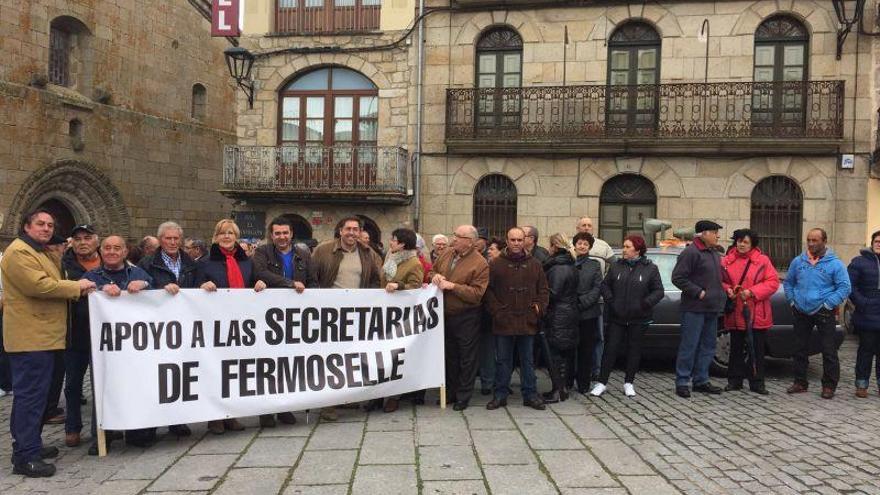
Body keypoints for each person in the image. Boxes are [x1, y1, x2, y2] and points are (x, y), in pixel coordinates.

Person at [1, 209, 96, 477]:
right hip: (31, 339)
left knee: (41, 397)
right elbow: (39, 286)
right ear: (27, 226)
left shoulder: (41, 251)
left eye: (50, 225)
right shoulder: (19, 252)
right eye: (40, 224)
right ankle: (25, 457)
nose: (46, 228)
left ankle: (31, 444)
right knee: (30, 398)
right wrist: (77, 287)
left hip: (48, 337)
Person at [83, 236, 156, 450]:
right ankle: (102, 434)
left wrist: (144, 284)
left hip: (135, 345)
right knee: (103, 386)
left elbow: (156, 292)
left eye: (117, 248)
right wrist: (96, 291)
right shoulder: (91, 276)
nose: (112, 252)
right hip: (105, 345)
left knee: (135, 385)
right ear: (101, 252)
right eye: (107, 248)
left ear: (125, 252)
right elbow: (81, 302)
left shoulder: (137, 273)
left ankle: (136, 431)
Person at [197, 219, 267, 433]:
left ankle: (232, 415)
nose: (226, 237)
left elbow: (254, 280)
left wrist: (260, 284)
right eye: (222, 233)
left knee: (235, 371)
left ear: (236, 237)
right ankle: (215, 417)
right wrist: (202, 285)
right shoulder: (205, 262)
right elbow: (193, 287)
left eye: (230, 233)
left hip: (241, 325)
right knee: (216, 369)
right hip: (215, 324)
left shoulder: (247, 262)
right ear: (215, 237)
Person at [311, 216, 382, 420]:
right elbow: (311, 277)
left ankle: (347, 397)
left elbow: (377, 280)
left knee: (351, 356)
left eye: (355, 229)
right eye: (348, 229)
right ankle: (328, 404)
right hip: (328, 314)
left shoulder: (368, 253)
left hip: (356, 315)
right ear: (340, 231)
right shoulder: (323, 250)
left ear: (360, 232)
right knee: (330, 358)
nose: (352, 233)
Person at [252, 216, 317, 426]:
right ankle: (266, 411)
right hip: (269, 317)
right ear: (272, 235)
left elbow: (313, 281)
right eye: (277, 233)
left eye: (285, 233)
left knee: (290, 363)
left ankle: (285, 408)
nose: (282, 237)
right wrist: (290, 284)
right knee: (268, 364)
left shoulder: (303, 254)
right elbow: (260, 273)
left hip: (295, 318)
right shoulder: (263, 252)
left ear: (291, 234)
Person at [138, 221, 198, 437]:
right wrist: (158, 289)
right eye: (168, 238)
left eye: (176, 239)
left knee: (180, 373)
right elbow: (141, 286)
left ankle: (177, 420)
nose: (172, 242)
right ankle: (152, 423)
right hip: (159, 328)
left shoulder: (191, 263)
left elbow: (198, 286)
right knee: (158, 374)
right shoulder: (146, 263)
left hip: (185, 326)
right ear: (160, 240)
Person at [591, 235, 664, 398]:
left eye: (627, 246)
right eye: (623, 246)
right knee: (610, 349)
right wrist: (611, 300)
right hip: (617, 317)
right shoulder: (616, 266)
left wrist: (645, 303)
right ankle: (602, 382)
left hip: (639, 318)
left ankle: (628, 382)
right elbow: (604, 285)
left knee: (634, 350)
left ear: (637, 250)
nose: (623, 249)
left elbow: (658, 291)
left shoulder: (650, 268)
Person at [484, 227, 548, 411]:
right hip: (504, 319)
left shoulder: (535, 263)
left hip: (527, 319)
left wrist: (538, 308)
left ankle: (530, 394)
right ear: (507, 240)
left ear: (524, 241)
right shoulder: (496, 264)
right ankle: (500, 394)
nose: (516, 243)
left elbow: (543, 289)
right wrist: (497, 311)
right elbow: (488, 290)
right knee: (503, 360)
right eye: (513, 240)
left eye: (520, 240)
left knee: (527, 360)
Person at [784, 228, 851, 399]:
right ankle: (800, 382)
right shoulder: (798, 261)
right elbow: (789, 283)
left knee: (829, 350)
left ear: (824, 241)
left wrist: (828, 304)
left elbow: (844, 287)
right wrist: (792, 300)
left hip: (824, 311)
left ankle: (829, 385)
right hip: (801, 310)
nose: (811, 243)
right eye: (809, 240)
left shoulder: (835, 264)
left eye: (815, 240)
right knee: (799, 349)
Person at [430, 225, 489, 411]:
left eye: (458, 236)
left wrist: (453, 286)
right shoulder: (447, 253)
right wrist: (435, 276)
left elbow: (477, 294)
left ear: (469, 241)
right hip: (445, 314)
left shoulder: (480, 263)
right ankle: (450, 393)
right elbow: (432, 271)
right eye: (454, 235)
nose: (453, 238)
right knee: (449, 356)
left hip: (467, 316)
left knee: (467, 357)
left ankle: (463, 396)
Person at [721, 229, 779, 395]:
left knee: (757, 349)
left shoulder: (762, 261)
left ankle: (757, 382)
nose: (741, 244)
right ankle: (734, 380)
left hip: (756, 311)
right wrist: (728, 290)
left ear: (752, 244)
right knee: (736, 348)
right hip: (735, 312)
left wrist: (753, 292)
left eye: (745, 242)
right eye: (739, 241)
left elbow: (773, 282)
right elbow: (721, 281)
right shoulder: (726, 261)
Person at [672, 220, 726, 398]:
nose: (717, 235)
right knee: (689, 346)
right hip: (694, 308)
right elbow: (678, 278)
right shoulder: (690, 253)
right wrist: (698, 292)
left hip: (712, 308)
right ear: (703, 234)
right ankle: (682, 382)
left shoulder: (713, 253)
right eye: (714, 232)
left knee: (708, 346)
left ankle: (701, 380)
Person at [60, 224, 101, 450]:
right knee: (73, 384)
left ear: (96, 241)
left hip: (103, 336)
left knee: (101, 383)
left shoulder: (108, 262)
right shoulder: (62, 265)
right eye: (78, 238)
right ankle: (72, 428)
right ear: (72, 242)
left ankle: (100, 430)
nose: (82, 242)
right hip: (74, 334)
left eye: (87, 237)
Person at [379, 228, 425, 412]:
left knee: (396, 356)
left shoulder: (414, 263)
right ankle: (377, 394)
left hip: (401, 317)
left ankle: (394, 396)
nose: (390, 242)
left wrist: (399, 285)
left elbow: (416, 287)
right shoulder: (390, 258)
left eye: (393, 239)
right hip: (384, 314)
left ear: (402, 244)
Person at [540, 233, 579, 403]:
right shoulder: (568, 264)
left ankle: (559, 389)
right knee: (561, 354)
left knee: (556, 354)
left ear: (554, 246)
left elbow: (553, 293)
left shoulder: (558, 267)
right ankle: (561, 388)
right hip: (566, 313)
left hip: (559, 315)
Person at [571, 232, 602, 394]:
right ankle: (567, 381)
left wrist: (582, 303)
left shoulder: (594, 265)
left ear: (589, 247)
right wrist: (572, 303)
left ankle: (584, 382)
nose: (582, 246)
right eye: (580, 243)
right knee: (569, 348)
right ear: (575, 245)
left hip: (588, 314)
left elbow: (597, 288)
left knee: (586, 349)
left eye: (585, 244)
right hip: (569, 313)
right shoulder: (569, 262)